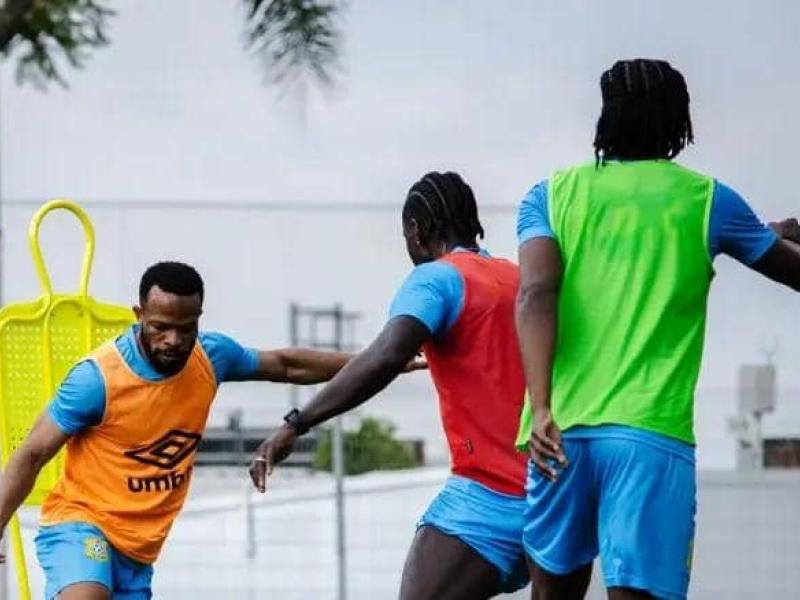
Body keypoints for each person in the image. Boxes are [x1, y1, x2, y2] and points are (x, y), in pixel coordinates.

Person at [515, 58, 800, 600]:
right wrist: (784, 235)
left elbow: (535, 293)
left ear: (606, 118)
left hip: (560, 432)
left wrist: (542, 406)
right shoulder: (707, 200)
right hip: (649, 434)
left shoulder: (549, 195)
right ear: (679, 123)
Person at [0, 261, 368, 600]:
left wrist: (382, 360)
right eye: (160, 327)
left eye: (185, 328)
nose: (173, 340)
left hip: (139, 551)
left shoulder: (211, 357)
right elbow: (31, 453)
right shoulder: (96, 379)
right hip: (80, 524)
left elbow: (287, 365)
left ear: (199, 318)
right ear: (139, 315)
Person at [250, 172, 530, 599]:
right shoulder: (522, 280)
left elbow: (386, 354)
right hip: (553, 499)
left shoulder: (437, 278)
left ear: (417, 231)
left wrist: (297, 422)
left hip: (486, 500)